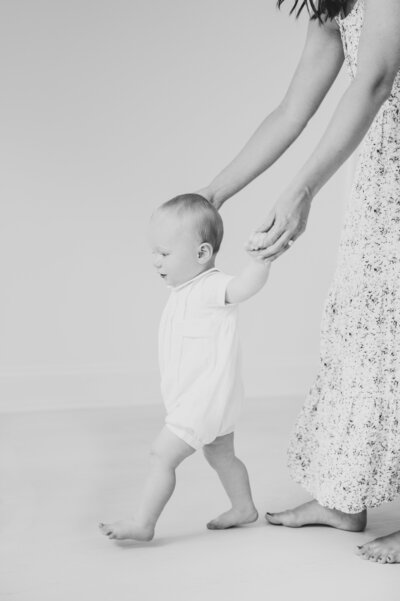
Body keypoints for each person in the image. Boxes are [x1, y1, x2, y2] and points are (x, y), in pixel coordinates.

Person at [198, 0, 400, 563]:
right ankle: (344, 498)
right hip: (385, 181)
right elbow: (292, 108)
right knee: (368, 335)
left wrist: (302, 191)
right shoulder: (335, 5)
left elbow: (378, 79)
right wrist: (214, 194)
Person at [99, 194, 270, 541]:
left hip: (202, 399)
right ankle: (244, 507)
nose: (155, 260)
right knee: (221, 455)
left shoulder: (211, 286)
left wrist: (260, 262)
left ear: (202, 254)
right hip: (210, 399)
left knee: (161, 455)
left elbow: (243, 287)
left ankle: (143, 522)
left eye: (163, 253)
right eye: (154, 252)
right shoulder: (183, 289)